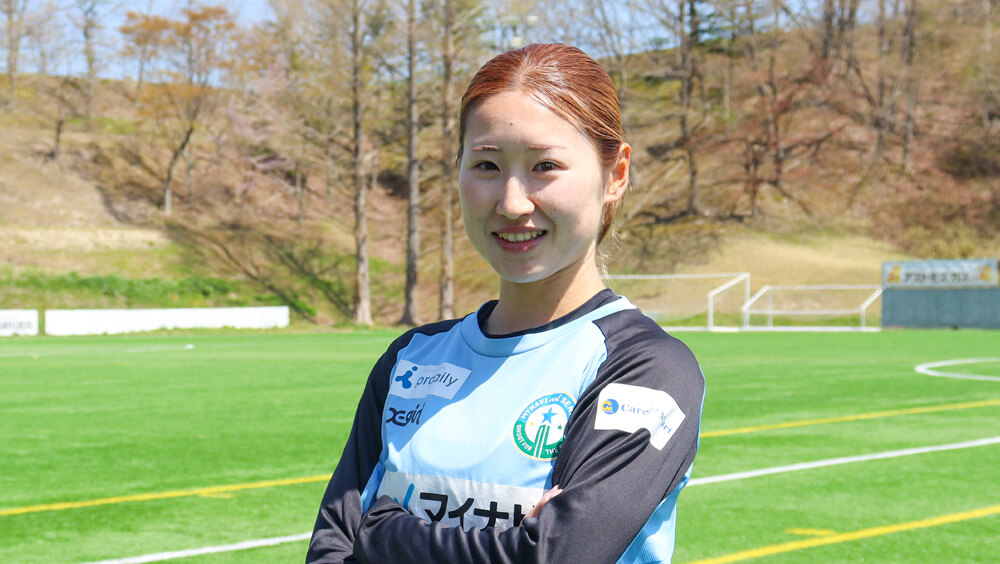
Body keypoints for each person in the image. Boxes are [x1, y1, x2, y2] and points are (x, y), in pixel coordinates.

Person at [306, 43, 705, 564]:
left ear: (616, 175)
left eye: (545, 165)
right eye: (487, 165)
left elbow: (561, 557)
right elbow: (330, 551)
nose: (513, 202)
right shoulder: (409, 360)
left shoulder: (646, 371)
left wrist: (385, 536)